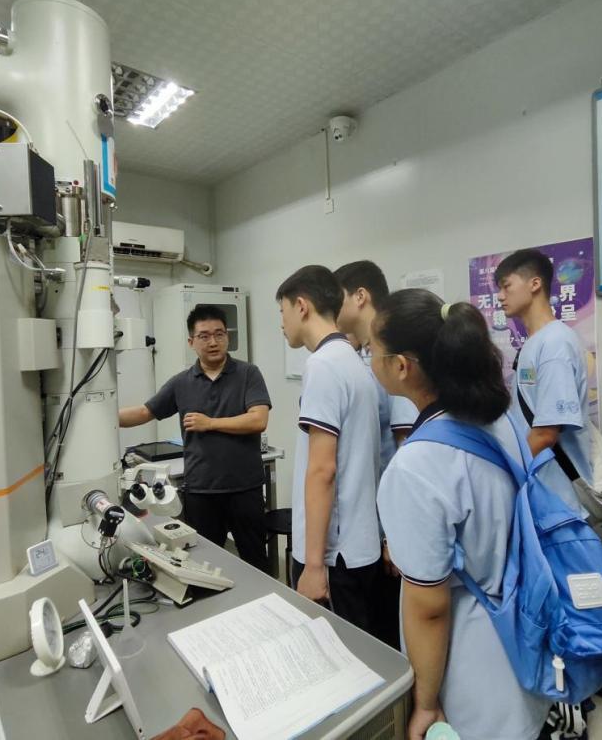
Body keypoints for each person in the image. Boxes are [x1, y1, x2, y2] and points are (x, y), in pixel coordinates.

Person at [373, 290, 550, 740]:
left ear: (401, 366)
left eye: (372, 349)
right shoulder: (500, 420)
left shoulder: (416, 465)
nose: (369, 359)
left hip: (472, 675)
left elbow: (429, 609)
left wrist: (424, 704)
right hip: (525, 642)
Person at [118, 304, 271, 572]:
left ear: (227, 337)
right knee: (203, 565)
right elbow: (144, 412)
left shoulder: (248, 373)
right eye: (204, 336)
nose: (213, 342)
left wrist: (210, 423)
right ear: (191, 342)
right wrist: (100, 416)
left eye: (219, 334)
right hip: (202, 491)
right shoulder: (181, 382)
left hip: (245, 488)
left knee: (255, 560)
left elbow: (258, 419)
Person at [276, 265, 382, 634]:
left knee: (334, 654)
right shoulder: (352, 360)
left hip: (335, 555)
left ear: (301, 306)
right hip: (359, 546)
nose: (282, 323)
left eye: (282, 311)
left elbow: (323, 470)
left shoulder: (322, 365)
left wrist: (314, 565)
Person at [335, 259, 417, 649]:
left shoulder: (393, 348)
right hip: (373, 521)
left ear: (360, 297)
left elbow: (405, 451)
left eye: (337, 298)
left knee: (388, 635)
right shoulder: (366, 353)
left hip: (392, 526)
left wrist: (394, 536)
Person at [495, 248, 588, 517]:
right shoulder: (537, 342)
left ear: (535, 284)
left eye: (506, 286)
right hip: (540, 491)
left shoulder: (555, 343)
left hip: (558, 500)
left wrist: (506, 476)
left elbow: (546, 433)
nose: (500, 296)